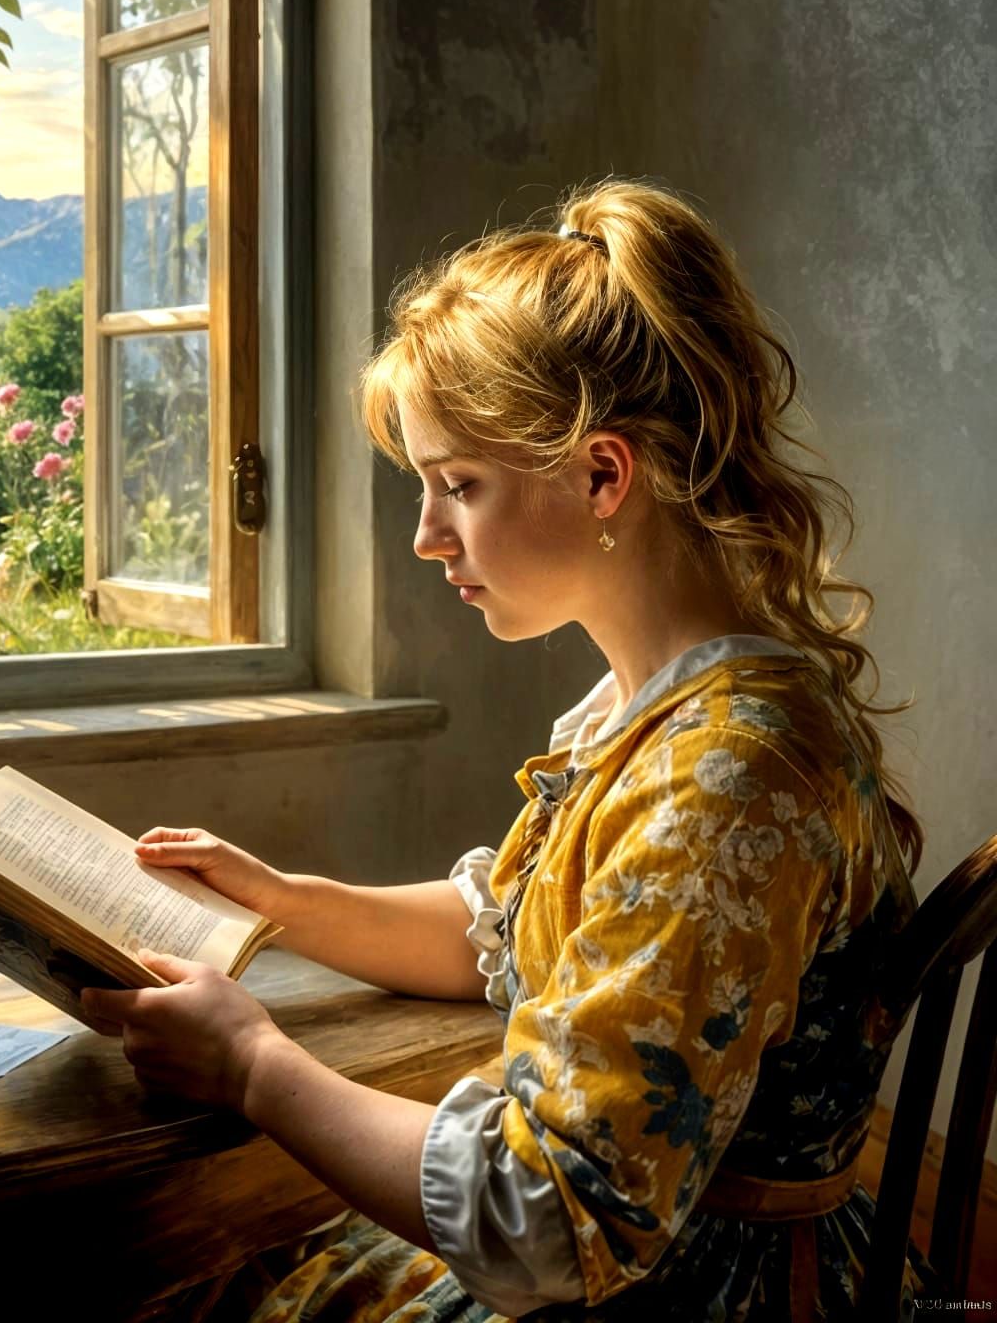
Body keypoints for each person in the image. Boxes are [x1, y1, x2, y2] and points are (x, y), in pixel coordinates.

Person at [80, 179, 924, 1321]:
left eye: (457, 487)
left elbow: (545, 1217)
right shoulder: (674, 707)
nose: (429, 537)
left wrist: (255, 1068)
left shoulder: (726, 774)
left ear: (603, 475)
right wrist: (285, 899)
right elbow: (525, 929)